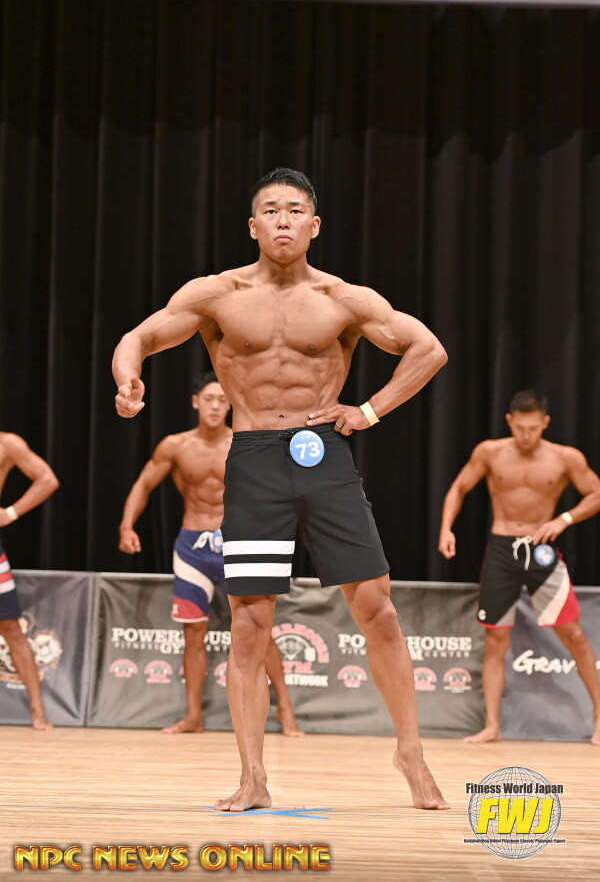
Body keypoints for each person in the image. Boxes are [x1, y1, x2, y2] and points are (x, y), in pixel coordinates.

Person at [113, 167, 449, 811]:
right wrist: (128, 379)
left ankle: (411, 752)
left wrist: (369, 411)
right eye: (271, 210)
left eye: (295, 210)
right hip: (255, 459)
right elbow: (141, 336)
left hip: (324, 453)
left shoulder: (343, 298)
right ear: (253, 226)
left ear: (314, 225)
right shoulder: (217, 294)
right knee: (248, 624)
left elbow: (427, 349)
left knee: (377, 610)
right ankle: (253, 777)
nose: (283, 220)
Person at [118, 371, 303, 737]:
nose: (216, 406)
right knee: (192, 633)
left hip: (237, 541)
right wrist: (126, 525)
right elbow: (144, 483)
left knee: (259, 628)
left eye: (222, 400)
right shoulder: (175, 446)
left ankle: (285, 709)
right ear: (195, 402)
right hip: (192, 547)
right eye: (209, 399)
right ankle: (193, 716)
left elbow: (277, 489)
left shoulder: (244, 443)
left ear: (230, 405)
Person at [438, 390, 600, 745]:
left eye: (533, 428)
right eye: (520, 428)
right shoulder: (490, 452)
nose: (526, 435)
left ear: (545, 423)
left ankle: (599, 716)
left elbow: (596, 493)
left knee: (573, 635)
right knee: (495, 640)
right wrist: (446, 528)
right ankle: (492, 726)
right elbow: (459, 488)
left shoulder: (565, 457)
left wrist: (563, 520)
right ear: (509, 421)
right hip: (501, 551)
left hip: (541, 550)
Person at [0, 432, 59, 730]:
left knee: (10, 627)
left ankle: (38, 709)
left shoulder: (6, 443)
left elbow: (48, 479)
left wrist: (10, 513)